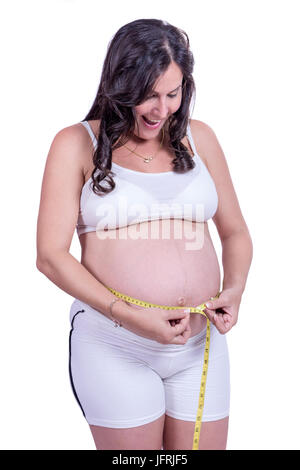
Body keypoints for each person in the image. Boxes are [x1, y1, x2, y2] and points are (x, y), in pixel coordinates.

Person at [36, 18, 253, 450]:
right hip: (116, 343)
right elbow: (50, 255)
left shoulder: (200, 138)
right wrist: (126, 312)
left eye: (172, 94)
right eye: (148, 95)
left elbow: (235, 232)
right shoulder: (75, 143)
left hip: (198, 343)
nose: (161, 109)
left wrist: (235, 289)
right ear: (120, 85)